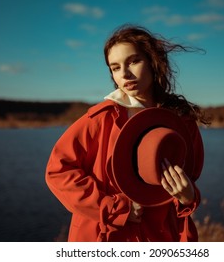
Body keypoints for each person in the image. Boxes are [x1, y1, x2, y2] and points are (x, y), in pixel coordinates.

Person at [45, 24, 209, 242]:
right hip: (104, 237)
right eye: (115, 67)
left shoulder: (181, 123)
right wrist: (113, 208)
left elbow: (189, 181)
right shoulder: (101, 118)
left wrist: (188, 197)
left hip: (160, 238)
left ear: (152, 61)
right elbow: (58, 171)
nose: (125, 74)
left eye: (133, 61)